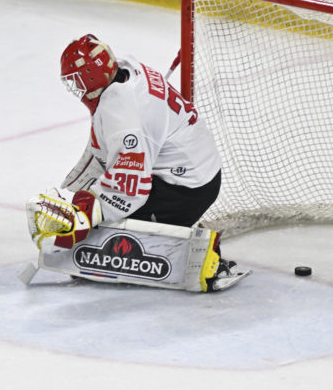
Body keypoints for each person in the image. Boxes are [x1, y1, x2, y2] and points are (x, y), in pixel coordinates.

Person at [26, 34, 241, 292]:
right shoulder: (125, 69)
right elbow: (102, 153)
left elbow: (131, 190)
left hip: (186, 189)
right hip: (195, 169)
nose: (76, 88)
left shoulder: (121, 115)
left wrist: (85, 214)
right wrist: (72, 194)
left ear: (92, 78)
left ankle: (203, 256)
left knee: (100, 244)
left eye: (77, 81)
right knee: (99, 214)